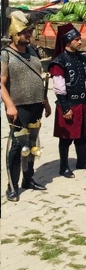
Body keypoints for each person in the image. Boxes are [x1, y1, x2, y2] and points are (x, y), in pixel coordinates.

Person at [1, 14, 50, 200]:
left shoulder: (32, 50)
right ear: (15, 34)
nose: (29, 35)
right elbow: (1, 83)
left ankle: (28, 179)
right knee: (17, 146)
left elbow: (39, 75)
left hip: (36, 105)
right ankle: (12, 186)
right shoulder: (6, 54)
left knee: (32, 144)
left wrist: (45, 101)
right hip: (18, 107)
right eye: (25, 32)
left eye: (29, 31)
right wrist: (9, 105)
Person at [49, 24, 86, 178]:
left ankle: (82, 161)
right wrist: (65, 108)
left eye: (79, 39)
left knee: (81, 134)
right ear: (68, 41)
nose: (80, 42)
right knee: (66, 138)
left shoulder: (81, 58)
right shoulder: (59, 62)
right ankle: (64, 167)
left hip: (81, 103)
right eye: (77, 39)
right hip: (68, 105)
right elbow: (59, 88)